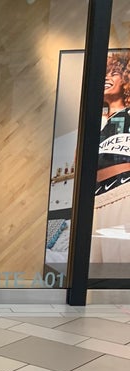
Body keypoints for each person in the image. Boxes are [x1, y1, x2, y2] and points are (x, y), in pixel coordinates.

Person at [92, 51, 130, 262]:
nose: (107, 77)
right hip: (95, 199)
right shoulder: (95, 121)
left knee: (120, 263)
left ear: (126, 81)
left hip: (123, 192)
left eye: (114, 73)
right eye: (105, 73)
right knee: (95, 268)